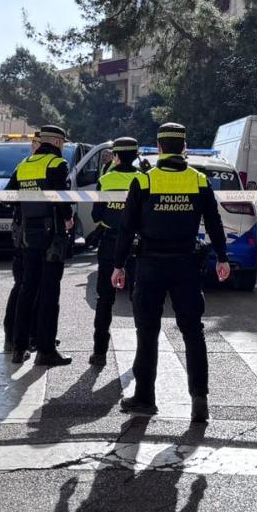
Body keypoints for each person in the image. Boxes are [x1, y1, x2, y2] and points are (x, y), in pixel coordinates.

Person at [112, 123, 229, 424]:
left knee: (147, 331)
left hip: (150, 265)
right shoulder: (199, 180)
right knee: (193, 332)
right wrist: (222, 258)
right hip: (187, 264)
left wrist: (118, 264)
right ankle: (199, 400)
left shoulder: (145, 181)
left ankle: (145, 398)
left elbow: (126, 228)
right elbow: (214, 223)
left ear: (160, 147)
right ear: (184, 147)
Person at [6, 125, 74, 366]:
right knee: (49, 293)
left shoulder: (23, 165)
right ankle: (45, 350)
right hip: (52, 237)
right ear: (57, 143)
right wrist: (68, 219)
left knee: (27, 290)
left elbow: (9, 196)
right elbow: (61, 199)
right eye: (63, 144)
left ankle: (19, 347)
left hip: (28, 236)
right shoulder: (57, 164)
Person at [87, 137, 145, 366]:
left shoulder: (106, 179)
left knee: (104, 299)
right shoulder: (143, 179)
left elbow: (95, 216)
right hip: (137, 245)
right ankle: (143, 354)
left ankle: (99, 352)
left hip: (110, 243)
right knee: (140, 300)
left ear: (116, 156)